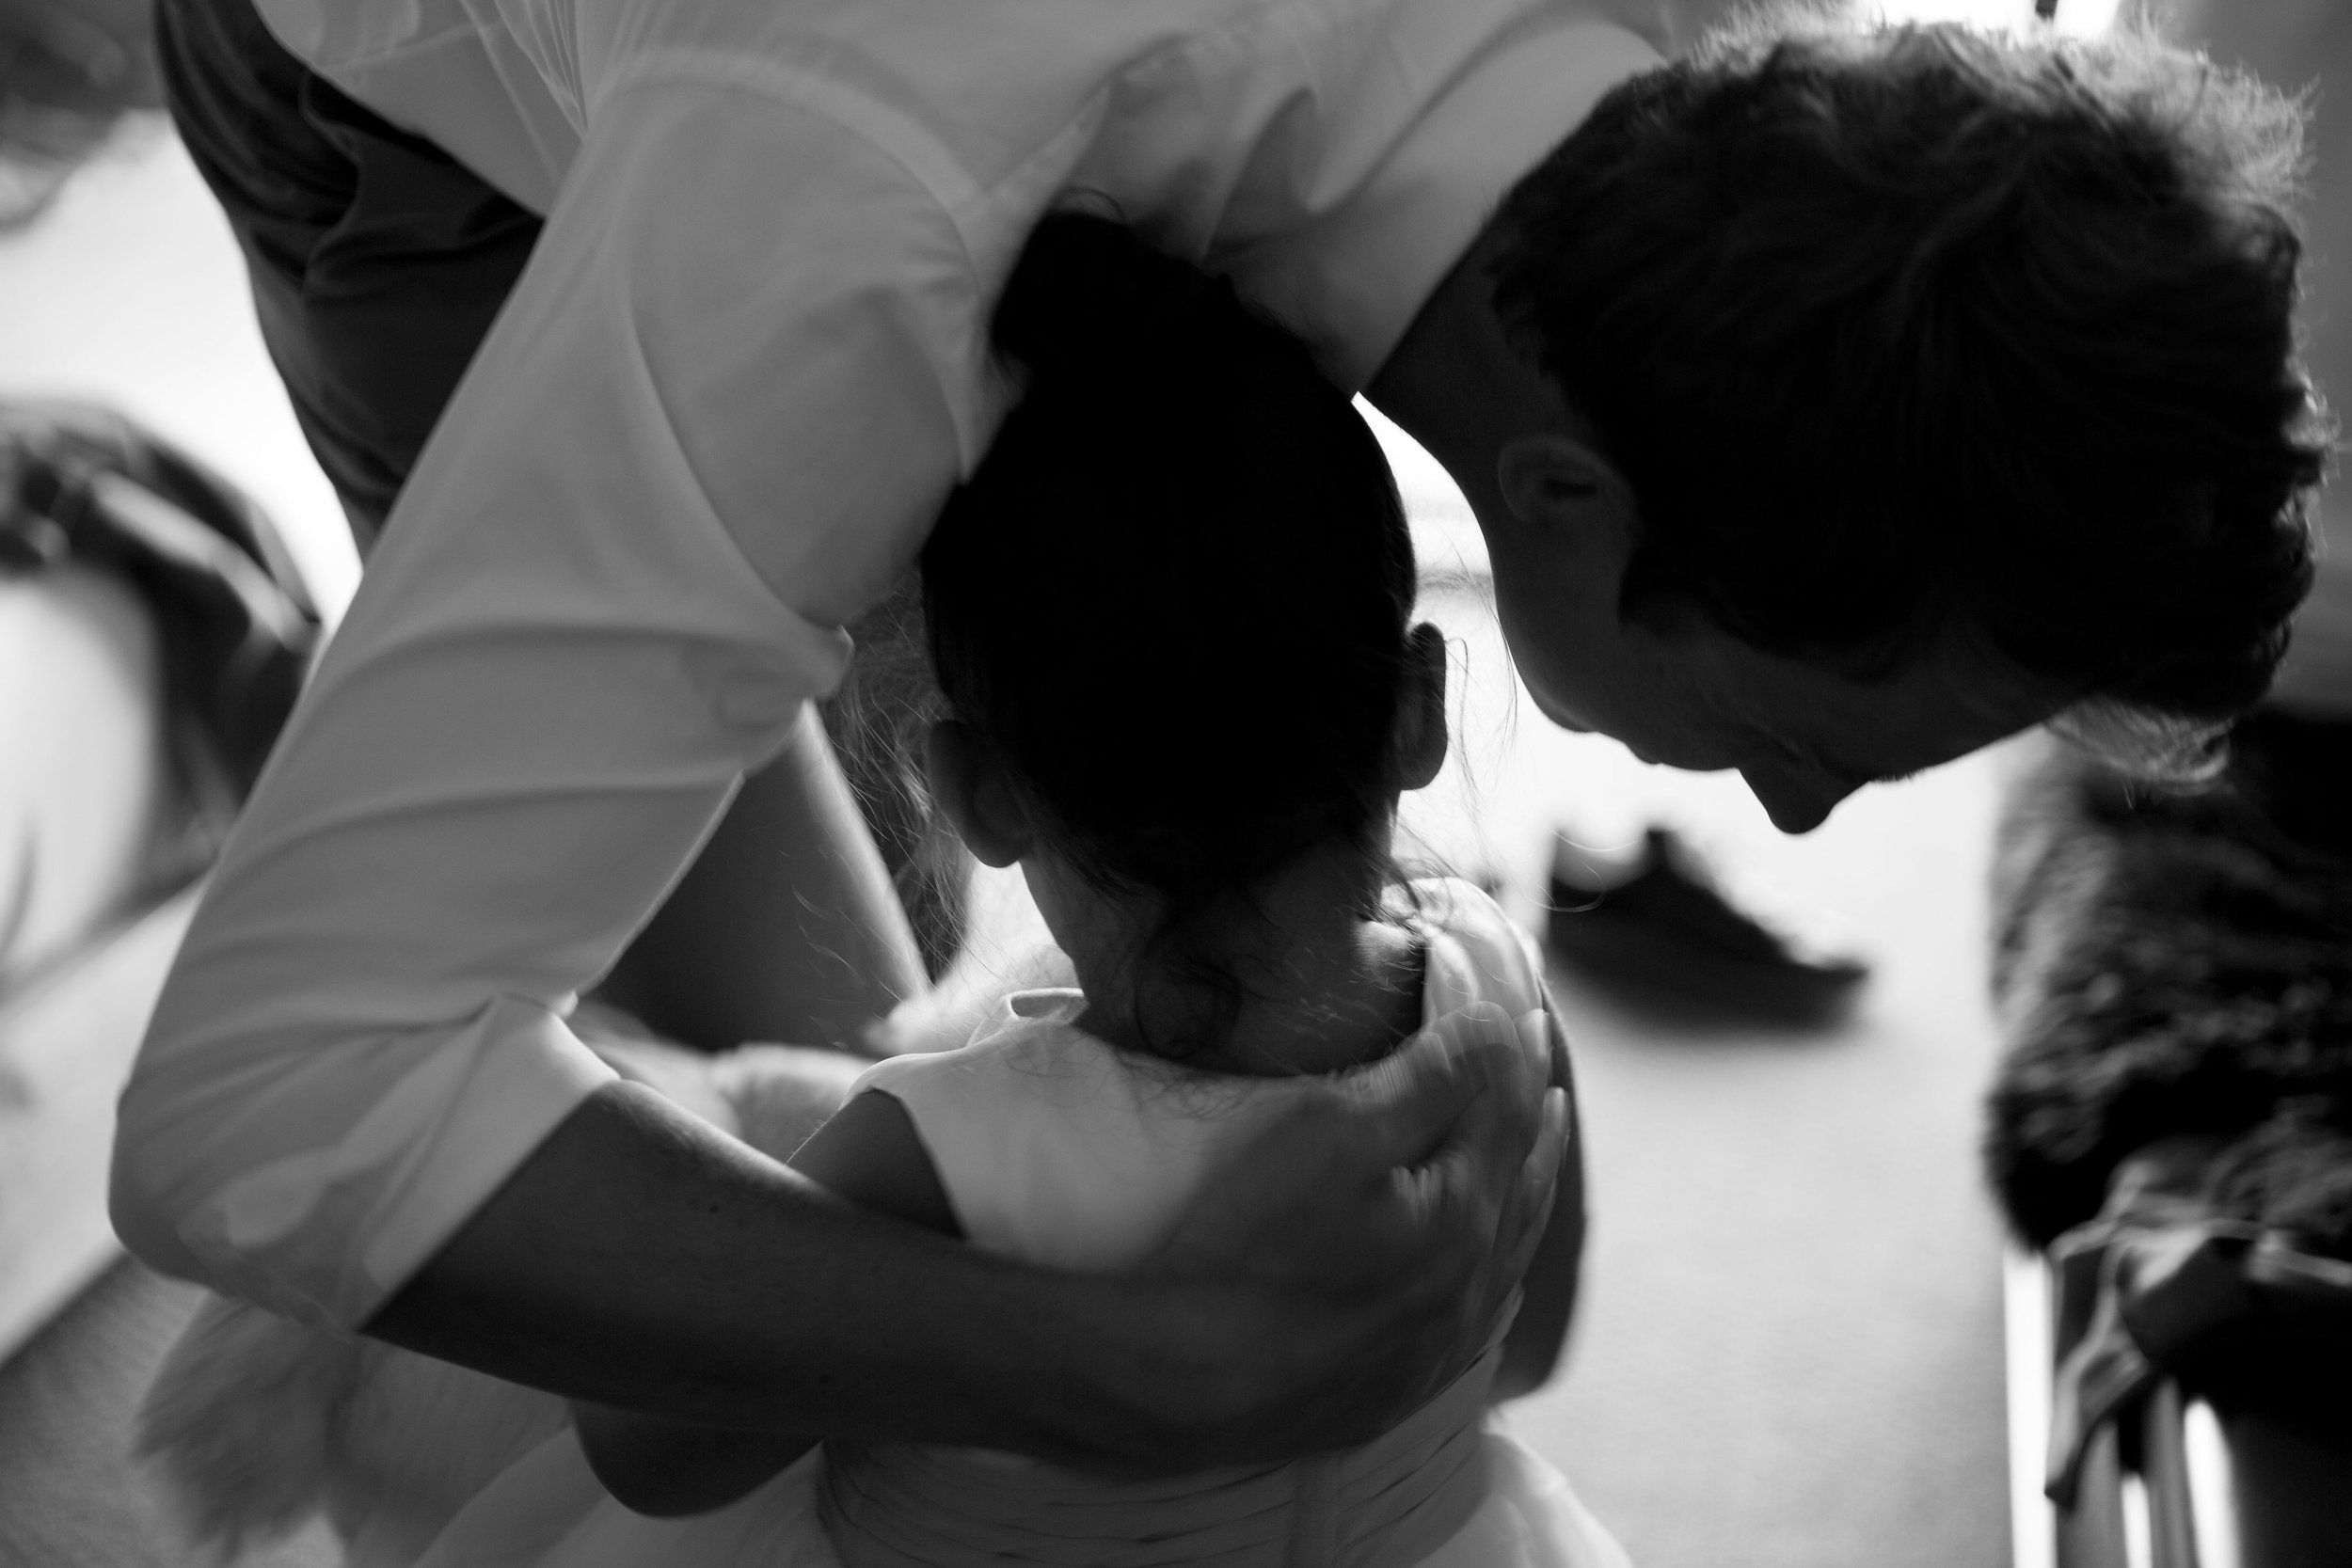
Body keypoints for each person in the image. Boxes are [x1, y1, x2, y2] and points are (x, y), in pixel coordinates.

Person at [112, 0, 2325, 1482]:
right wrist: (1112, 1372)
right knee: (846, 1129)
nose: (1794, 810)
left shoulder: (1735, 121)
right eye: (1801, 743)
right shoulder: (838, 222)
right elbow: (261, 1115)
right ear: (1559, 504)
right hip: (425, 88)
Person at [411, 211, 1617, 1568]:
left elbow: (648, 1450)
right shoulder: (1505, 1008)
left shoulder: (940, 1152)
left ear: (976, 791)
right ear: (1416, 711)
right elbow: (1535, 1338)